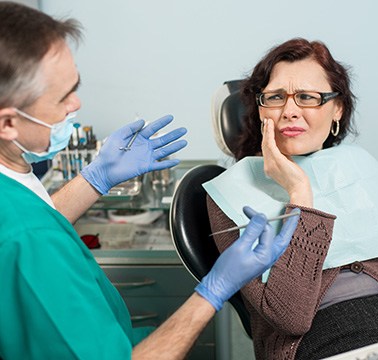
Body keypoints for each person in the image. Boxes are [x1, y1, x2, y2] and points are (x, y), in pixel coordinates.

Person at [0, 3, 300, 359]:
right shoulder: (30, 239)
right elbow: (28, 236)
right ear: (8, 124)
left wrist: (96, 179)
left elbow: (31, 222)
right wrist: (214, 290)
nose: (76, 104)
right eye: (62, 97)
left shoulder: (16, 195)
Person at [204, 38, 378, 360]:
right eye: (275, 97)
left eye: (307, 97)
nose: (290, 111)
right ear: (259, 109)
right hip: (314, 342)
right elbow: (290, 316)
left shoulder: (360, 167)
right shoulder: (229, 194)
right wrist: (299, 194)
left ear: (338, 108)